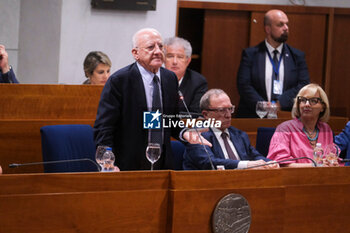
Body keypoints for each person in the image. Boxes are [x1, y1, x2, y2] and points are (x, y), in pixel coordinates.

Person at [94, 28, 210, 171]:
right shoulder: (120, 80)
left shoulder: (169, 78)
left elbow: (169, 120)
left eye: (160, 47)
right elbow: (104, 127)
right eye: (150, 47)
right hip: (128, 163)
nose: (157, 51)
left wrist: (185, 133)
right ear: (135, 53)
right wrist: (108, 162)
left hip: (162, 163)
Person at [236, 9, 310, 118]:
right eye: (280, 25)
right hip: (254, 116)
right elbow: (243, 84)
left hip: (286, 116)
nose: (286, 28)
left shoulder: (297, 56)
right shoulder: (251, 54)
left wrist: (280, 103)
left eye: (286, 24)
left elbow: (303, 85)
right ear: (268, 29)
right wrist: (263, 106)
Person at [184, 89, 278, 170]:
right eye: (222, 110)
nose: (228, 115)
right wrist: (245, 164)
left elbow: (254, 155)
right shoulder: (196, 135)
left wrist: (270, 162)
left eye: (230, 109)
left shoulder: (239, 134)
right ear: (205, 114)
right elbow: (209, 163)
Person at [267, 83, 335, 167]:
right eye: (303, 100)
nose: (306, 104)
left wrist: (332, 162)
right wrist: (314, 166)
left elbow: (330, 156)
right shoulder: (284, 129)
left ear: (323, 107)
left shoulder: (326, 129)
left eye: (313, 101)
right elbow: (281, 164)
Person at [164, 37, 208, 114]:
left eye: (180, 57)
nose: (174, 62)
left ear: (188, 61)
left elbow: (196, 115)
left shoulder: (198, 82)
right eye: (170, 56)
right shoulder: (155, 79)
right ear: (163, 59)